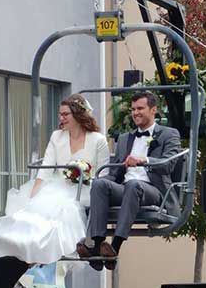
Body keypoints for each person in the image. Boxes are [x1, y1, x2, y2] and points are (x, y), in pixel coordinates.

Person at [0, 94, 110, 264]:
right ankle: (32, 250)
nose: (61, 118)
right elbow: (46, 168)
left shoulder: (98, 140)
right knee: (36, 210)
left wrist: (86, 177)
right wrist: (33, 196)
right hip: (59, 186)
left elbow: (103, 174)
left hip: (88, 188)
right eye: (60, 114)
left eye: (66, 114)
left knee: (65, 210)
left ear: (78, 115)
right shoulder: (57, 137)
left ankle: (70, 249)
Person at [77, 91, 181, 270]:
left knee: (134, 185)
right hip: (126, 188)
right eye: (133, 109)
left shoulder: (168, 134)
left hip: (153, 190)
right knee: (100, 184)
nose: (136, 113)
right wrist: (94, 183)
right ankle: (97, 246)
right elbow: (115, 171)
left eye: (140, 108)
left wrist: (144, 160)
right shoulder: (125, 138)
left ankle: (115, 246)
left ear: (153, 109)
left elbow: (169, 164)